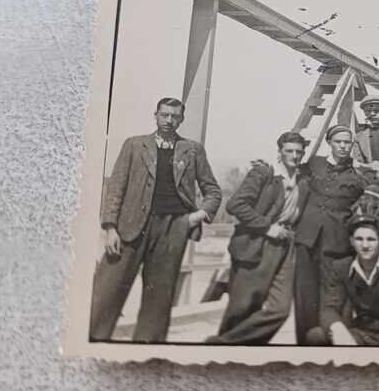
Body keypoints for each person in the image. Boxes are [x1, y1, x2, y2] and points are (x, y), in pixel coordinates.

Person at [89, 97, 222, 342]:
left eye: (174, 116)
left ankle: (145, 352)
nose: (169, 120)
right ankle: (93, 344)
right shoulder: (134, 145)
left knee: (158, 300)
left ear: (181, 119)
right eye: (164, 115)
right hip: (130, 227)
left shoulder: (192, 150)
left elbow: (213, 191)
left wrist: (196, 217)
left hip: (173, 228)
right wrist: (109, 227)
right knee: (105, 292)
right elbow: (116, 187)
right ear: (156, 115)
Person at [208, 131, 310, 344]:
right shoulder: (264, 173)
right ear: (279, 152)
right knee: (242, 307)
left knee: (280, 310)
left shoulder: (304, 179)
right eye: (289, 151)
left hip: (286, 246)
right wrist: (266, 227)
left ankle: (223, 344)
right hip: (256, 243)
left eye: (299, 152)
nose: (294, 156)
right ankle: (227, 356)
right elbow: (235, 205)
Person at [293, 125, 370, 345]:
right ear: (329, 143)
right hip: (306, 239)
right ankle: (305, 346)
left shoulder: (358, 176)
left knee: (335, 298)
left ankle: (336, 346)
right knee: (304, 297)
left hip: (337, 243)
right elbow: (289, 172)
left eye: (348, 143)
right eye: (339, 142)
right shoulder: (314, 164)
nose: (343, 147)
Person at [306, 203, 379, 347]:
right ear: (351, 242)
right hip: (363, 333)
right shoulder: (341, 267)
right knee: (315, 335)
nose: (365, 245)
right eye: (359, 239)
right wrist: (339, 330)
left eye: (371, 239)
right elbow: (329, 308)